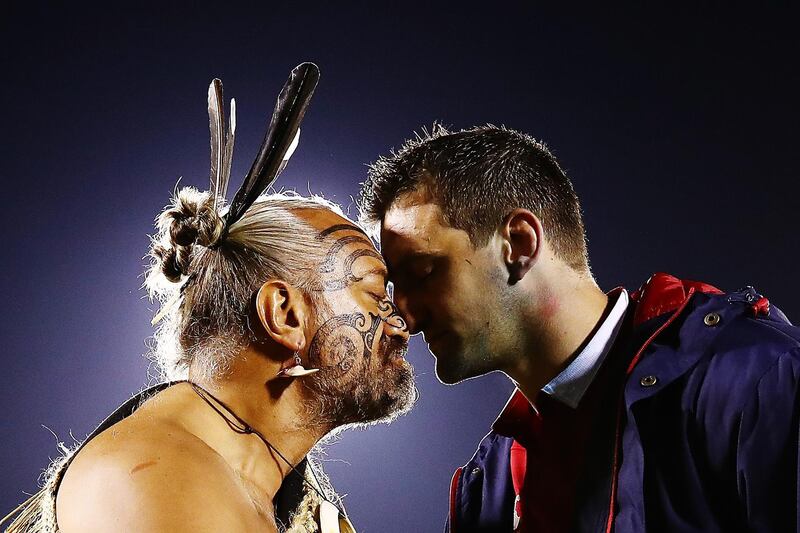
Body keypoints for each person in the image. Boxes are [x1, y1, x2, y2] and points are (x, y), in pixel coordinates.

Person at [2, 64, 415, 533]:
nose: (402, 320)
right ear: (285, 315)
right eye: (375, 293)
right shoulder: (154, 478)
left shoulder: (258, 488)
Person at [358, 124, 800, 532]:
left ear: (519, 244)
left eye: (423, 272)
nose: (406, 318)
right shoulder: (486, 487)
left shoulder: (753, 380)